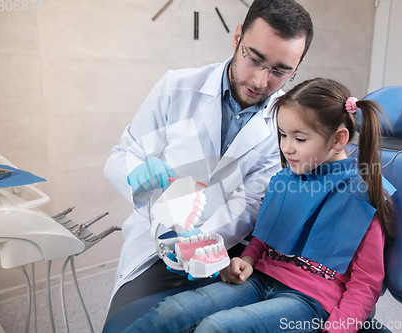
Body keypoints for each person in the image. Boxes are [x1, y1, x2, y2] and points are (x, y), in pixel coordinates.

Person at [123, 77, 396, 333]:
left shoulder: (362, 197)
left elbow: (366, 283)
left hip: (311, 301)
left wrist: (338, 329)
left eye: (299, 139)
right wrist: (248, 259)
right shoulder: (285, 180)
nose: (286, 147)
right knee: (172, 311)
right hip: (261, 278)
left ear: (339, 139)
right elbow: (265, 238)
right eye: (282, 135)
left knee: (217, 328)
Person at [103, 0, 314, 321]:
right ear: (237, 38)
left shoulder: (286, 118)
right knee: (129, 324)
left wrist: (200, 240)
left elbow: (253, 204)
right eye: (254, 59)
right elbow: (123, 155)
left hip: (229, 248)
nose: (260, 81)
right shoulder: (177, 86)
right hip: (157, 241)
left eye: (280, 71)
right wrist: (136, 173)